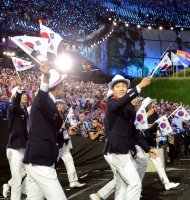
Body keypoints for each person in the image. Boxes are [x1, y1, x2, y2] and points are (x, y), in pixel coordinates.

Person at [91, 74, 158, 200]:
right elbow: (118, 105)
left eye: (123, 86)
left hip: (122, 150)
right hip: (116, 150)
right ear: (113, 90)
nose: (121, 88)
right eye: (118, 86)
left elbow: (133, 132)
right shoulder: (111, 102)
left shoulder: (129, 107)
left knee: (122, 185)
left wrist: (148, 149)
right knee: (135, 183)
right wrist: (138, 88)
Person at [23, 65, 67, 200]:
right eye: (62, 85)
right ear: (58, 86)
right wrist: (46, 79)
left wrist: (65, 132)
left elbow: (51, 132)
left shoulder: (51, 104)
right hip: (40, 160)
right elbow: (41, 98)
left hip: (41, 158)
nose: (64, 88)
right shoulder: (42, 100)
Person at [5, 79, 28, 200]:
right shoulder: (12, 109)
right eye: (22, 94)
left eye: (25, 94)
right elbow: (14, 104)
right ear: (16, 96)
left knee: (29, 173)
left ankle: (9, 185)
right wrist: (19, 88)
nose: (25, 96)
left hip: (24, 147)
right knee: (18, 177)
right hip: (15, 148)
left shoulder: (24, 110)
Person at [56, 99, 85, 188]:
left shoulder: (63, 115)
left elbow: (65, 130)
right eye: (59, 104)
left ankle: (73, 180)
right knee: (50, 165)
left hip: (64, 143)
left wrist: (69, 129)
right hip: (56, 144)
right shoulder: (54, 115)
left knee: (69, 161)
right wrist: (61, 129)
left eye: (62, 103)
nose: (61, 105)